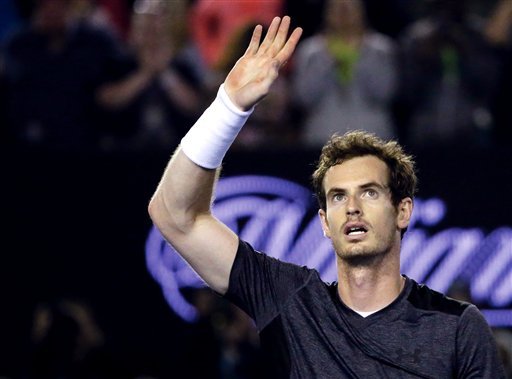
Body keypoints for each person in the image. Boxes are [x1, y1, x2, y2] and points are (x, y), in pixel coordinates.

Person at [148, 16, 506, 378]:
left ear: (403, 211)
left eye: (369, 192)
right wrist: (228, 108)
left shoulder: (457, 327)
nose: (352, 207)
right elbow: (176, 216)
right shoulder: (290, 301)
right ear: (324, 222)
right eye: (337, 197)